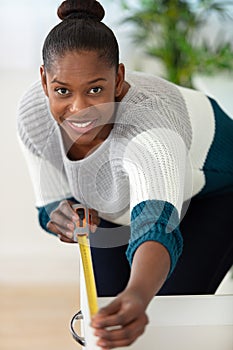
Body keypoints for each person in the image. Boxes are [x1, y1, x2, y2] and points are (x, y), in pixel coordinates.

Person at [17, 0, 233, 348]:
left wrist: (138, 296)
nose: (80, 109)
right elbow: (51, 204)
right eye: (62, 91)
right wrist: (63, 217)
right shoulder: (33, 114)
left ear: (119, 79)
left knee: (157, 321)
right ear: (44, 81)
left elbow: (155, 224)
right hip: (122, 200)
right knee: (102, 317)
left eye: (95, 90)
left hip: (218, 190)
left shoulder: (152, 131)